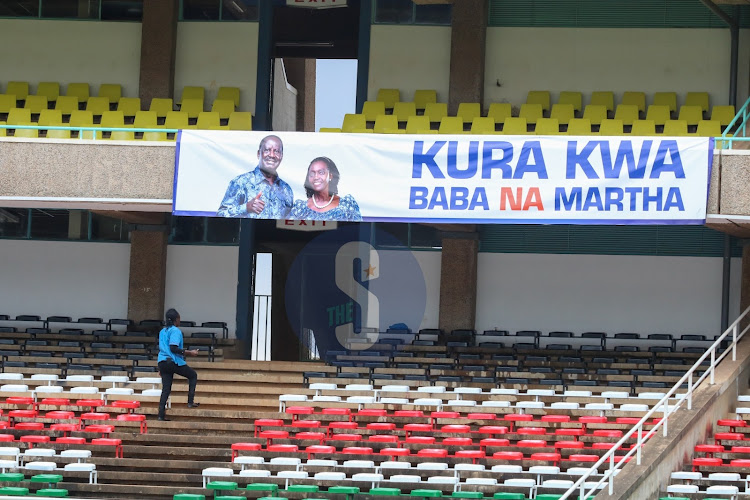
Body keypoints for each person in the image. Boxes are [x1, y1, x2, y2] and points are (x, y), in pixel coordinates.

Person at [217, 134, 293, 218]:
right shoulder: (241, 182)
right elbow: (220, 215)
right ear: (258, 154)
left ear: (281, 156)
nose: (272, 155)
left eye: (276, 151)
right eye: (267, 150)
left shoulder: (286, 189)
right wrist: (246, 207)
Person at [157, 308, 199, 421]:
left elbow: (162, 348)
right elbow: (173, 348)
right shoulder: (175, 331)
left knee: (166, 388)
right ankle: (190, 402)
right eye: (179, 318)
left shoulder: (162, 331)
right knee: (192, 375)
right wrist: (190, 352)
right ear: (176, 319)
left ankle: (161, 415)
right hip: (173, 361)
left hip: (162, 362)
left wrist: (161, 367)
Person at [290, 156, 362, 221]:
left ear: (330, 176)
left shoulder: (347, 205)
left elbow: (359, 232)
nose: (316, 177)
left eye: (321, 172)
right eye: (312, 174)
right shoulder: (300, 209)